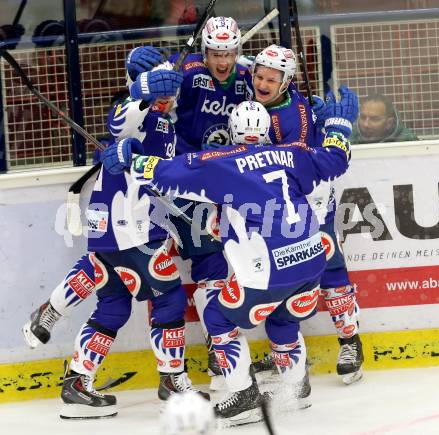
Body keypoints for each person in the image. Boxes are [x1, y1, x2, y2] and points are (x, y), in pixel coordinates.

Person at [114, 94, 356, 426]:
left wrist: (131, 158)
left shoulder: (221, 161)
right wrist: (338, 125)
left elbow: (167, 174)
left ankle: (243, 395)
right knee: (283, 320)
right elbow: (335, 159)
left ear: (233, 130)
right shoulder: (293, 153)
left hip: (268, 269)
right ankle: (295, 388)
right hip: (312, 260)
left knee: (218, 317)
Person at [128, 16, 256, 389]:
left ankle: (215, 353)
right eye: (216, 52)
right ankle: (218, 355)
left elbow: (274, 89)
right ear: (205, 50)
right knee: (210, 265)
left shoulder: (248, 75)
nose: (222, 60)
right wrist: (140, 66)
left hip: (225, 181)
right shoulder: (187, 70)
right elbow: (150, 85)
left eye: (229, 52)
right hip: (186, 186)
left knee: (223, 262)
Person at [21, 47, 165, 350]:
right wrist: (110, 149)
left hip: (126, 208)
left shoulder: (165, 122)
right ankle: (51, 310)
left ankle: (52, 310)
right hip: (112, 204)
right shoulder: (127, 105)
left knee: (101, 269)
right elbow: (119, 125)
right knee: (100, 262)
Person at [250, 44, 364, 384]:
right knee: (281, 285)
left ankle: (350, 341)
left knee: (330, 271)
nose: (262, 83)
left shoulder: (292, 120)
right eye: (259, 76)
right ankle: (285, 354)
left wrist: (326, 126)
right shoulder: (277, 93)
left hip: (309, 204)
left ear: (285, 83)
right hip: (275, 210)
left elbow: (306, 167)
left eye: (271, 79)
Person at [351, 94, 418, 144]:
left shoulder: (407, 140)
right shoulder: (348, 138)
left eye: (374, 119)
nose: (366, 124)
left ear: (389, 123)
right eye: (363, 117)